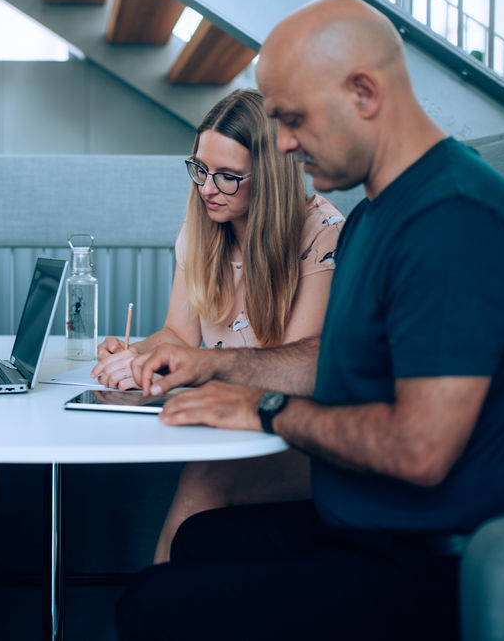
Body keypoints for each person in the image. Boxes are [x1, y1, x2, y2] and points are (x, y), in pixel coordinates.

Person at [115, 0, 504, 640]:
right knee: (198, 538)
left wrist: (264, 409)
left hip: (426, 554)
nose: (285, 145)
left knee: (150, 603)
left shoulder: (453, 217)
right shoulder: (376, 213)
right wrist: (213, 366)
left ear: (363, 93)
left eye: (293, 120)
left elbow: (422, 449)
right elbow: (324, 357)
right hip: (364, 520)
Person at [91, 88, 343, 562]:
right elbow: (179, 335)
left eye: (227, 176)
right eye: (200, 169)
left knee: (201, 478)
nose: (207, 188)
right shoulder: (202, 228)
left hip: (297, 431)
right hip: (229, 419)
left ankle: (157, 599)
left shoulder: (321, 232)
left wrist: (196, 365)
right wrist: (135, 354)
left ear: (269, 177)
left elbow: (299, 373)